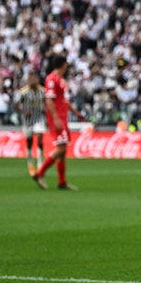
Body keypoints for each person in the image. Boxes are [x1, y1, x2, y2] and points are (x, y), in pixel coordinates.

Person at [33, 54, 86, 191]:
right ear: (63, 65)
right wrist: (55, 118)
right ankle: (39, 173)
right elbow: (49, 99)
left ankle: (62, 182)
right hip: (56, 118)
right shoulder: (51, 79)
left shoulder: (60, 79)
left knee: (63, 151)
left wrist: (76, 113)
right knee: (61, 148)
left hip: (63, 117)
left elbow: (64, 101)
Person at [14, 72, 46, 177]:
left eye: (35, 80)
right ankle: (30, 160)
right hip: (28, 120)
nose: (33, 82)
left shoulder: (42, 90)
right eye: (31, 80)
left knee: (40, 138)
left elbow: (47, 101)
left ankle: (40, 162)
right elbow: (15, 104)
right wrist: (23, 112)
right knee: (29, 141)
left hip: (39, 118)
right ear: (28, 81)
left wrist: (46, 109)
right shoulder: (24, 92)